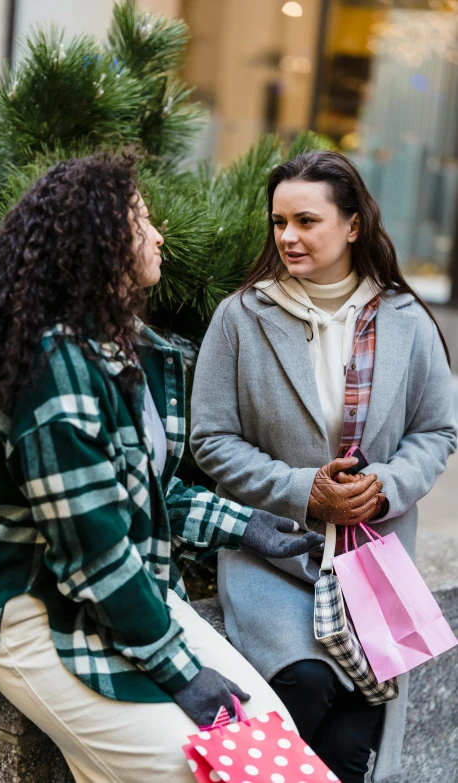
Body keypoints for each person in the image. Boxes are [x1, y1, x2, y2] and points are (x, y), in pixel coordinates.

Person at [0, 152, 325, 783]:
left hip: (129, 596)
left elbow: (145, 492)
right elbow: (94, 559)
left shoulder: (124, 350)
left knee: (269, 739)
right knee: (195, 768)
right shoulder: (52, 379)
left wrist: (250, 525)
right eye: (142, 220)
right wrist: (185, 675)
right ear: (99, 242)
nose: (158, 235)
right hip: (44, 617)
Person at [190, 151, 457, 783]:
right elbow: (212, 440)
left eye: (306, 221)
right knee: (302, 686)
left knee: (349, 744)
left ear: (354, 224)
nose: (288, 237)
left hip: (374, 567)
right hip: (273, 558)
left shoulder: (406, 320)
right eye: (279, 222)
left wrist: (384, 487)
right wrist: (304, 490)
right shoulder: (241, 317)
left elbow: (436, 431)